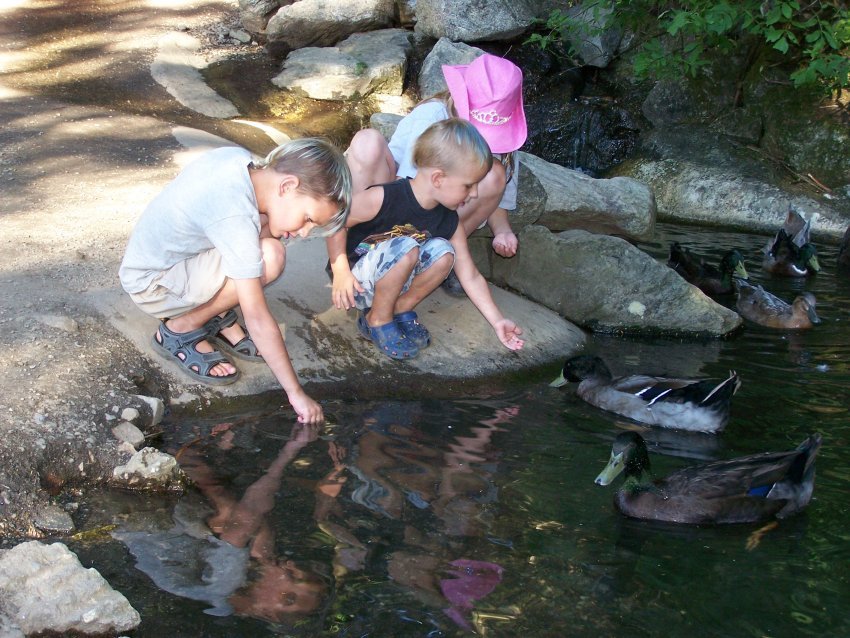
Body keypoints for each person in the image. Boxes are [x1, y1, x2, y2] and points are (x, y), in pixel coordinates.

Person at [119, 139, 351, 423]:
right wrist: (296, 393)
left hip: (168, 262)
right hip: (153, 285)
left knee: (268, 229)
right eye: (307, 218)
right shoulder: (235, 212)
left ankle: (218, 312)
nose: (305, 233)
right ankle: (181, 329)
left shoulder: (240, 162)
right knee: (270, 256)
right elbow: (257, 318)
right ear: (288, 186)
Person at [325, 118, 525, 360]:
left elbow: (470, 275)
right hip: (356, 282)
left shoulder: (448, 219)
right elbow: (336, 221)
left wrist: (498, 321)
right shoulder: (385, 197)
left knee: (444, 253)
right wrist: (341, 272)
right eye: (468, 185)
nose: (473, 194)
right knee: (407, 247)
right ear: (438, 178)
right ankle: (377, 318)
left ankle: (398, 309)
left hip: (398, 277)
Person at [344, 53, 527, 295]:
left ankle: (438, 254)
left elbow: (498, 200)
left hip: (432, 225)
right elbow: (410, 191)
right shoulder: (432, 116)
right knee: (368, 141)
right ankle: (359, 251)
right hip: (394, 203)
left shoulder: (505, 144)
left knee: (494, 174)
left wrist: (502, 231)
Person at [113, 421, 327, 624]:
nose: (290, 565)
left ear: (267, 612)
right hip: (160, 524)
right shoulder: (229, 594)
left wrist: (288, 453)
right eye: (297, 572)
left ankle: (181, 449)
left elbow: (241, 517)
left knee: (229, 509)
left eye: (287, 596)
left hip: (137, 516)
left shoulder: (223, 585)